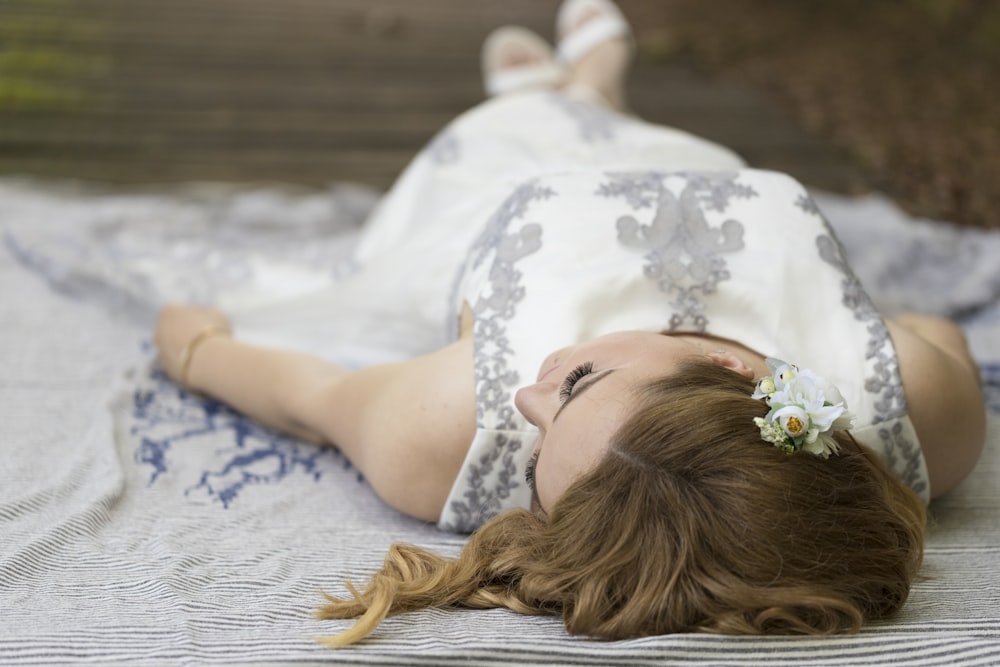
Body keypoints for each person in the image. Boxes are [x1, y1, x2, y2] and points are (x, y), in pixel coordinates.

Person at [154, 0, 985, 646]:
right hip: (697, 174)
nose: (525, 396)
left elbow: (312, 394)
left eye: (538, 453)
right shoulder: (920, 410)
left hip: (508, 194)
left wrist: (198, 349)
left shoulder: (449, 422)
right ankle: (596, 92)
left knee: (515, 130)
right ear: (738, 370)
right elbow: (932, 331)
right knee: (623, 132)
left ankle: (562, 97)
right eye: (578, 385)